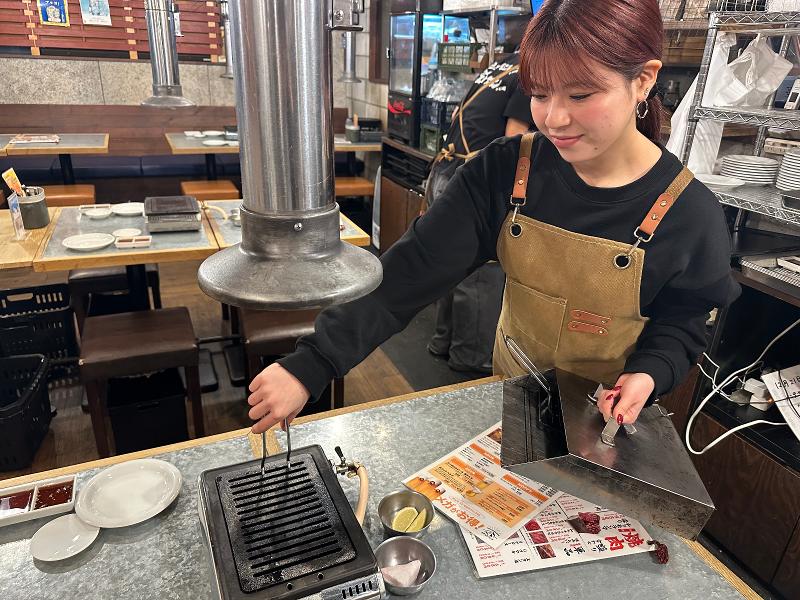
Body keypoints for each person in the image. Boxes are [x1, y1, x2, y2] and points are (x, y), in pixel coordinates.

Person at [247, 0, 740, 434]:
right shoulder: (506, 170)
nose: (554, 118)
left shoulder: (688, 212)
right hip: (509, 396)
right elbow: (408, 275)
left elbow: (682, 320)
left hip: (607, 419)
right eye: (540, 94)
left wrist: (649, 372)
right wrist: (312, 363)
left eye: (580, 95)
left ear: (643, 80)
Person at [426, 24, 534, 374]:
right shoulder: (532, 71)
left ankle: (442, 341)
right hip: (475, 180)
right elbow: (516, 139)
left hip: (446, 170)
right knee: (482, 272)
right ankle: (469, 358)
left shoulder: (503, 64)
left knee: (450, 263)